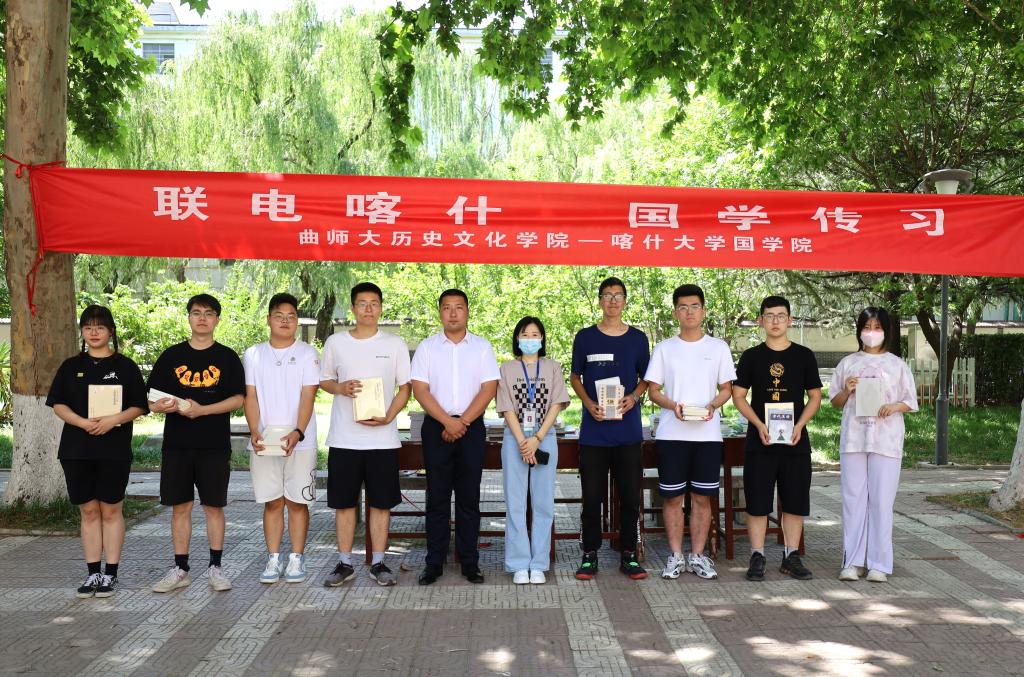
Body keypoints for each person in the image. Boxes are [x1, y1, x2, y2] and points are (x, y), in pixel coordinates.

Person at [46, 305, 148, 598]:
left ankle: (110, 574)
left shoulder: (125, 367)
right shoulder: (70, 366)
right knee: (89, 511)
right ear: (82, 332)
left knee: (111, 509)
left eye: (100, 327)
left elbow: (139, 405)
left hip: (113, 450)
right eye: (88, 327)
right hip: (76, 449)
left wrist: (113, 420)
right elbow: (58, 403)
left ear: (110, 331)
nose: (93, 332)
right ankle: (93, 573)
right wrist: (81, 422)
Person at [148, 293, 245, 593]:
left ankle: (216, 568)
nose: (202, 318)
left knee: (213, 507)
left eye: (209, 313)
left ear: (217, 319)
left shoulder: (227, 357)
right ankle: (181, 569)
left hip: (214, 445)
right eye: (196, 312)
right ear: (188, 317)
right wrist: (159, 407)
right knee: (181, 507)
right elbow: (150, 400)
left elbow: (238, 399)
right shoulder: (171, 356)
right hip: (177, 445)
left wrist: (202, 410)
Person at [320, 282, 411, 587]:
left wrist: (389, 416)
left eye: (374, 303)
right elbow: (324, 381)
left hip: (382, 439)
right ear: (353, 308)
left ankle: (379, 562)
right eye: (362, 303)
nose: (368, 309)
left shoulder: (395, 344)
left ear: (381, 308)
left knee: (381, 504)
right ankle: (344, 563)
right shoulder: (336, 342)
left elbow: (405, 388)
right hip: (344, 438)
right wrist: (340, 387)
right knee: (344, 504)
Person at [645, 284, 735, 581]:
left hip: (707, 435)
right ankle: (675, 555)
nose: (689, 312)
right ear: (675, 313)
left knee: (702, 498)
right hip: (672, 434)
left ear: (703, 311)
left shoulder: (718, 348)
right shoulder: (664, 348)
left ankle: (698, 555)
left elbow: (727, 389)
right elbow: (653, 391)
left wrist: (712, 405)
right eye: (683, 307)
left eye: (695, 306)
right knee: (672, 498)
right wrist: (674, 406)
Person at [411, 289, 499, 585]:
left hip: (471, 428)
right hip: (437, 427)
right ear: (440, 312)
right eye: (446, 307)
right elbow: (420, 390)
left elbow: (488, 389)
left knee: (468, 498)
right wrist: (448, 422)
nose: (452, 313)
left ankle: (469, 562)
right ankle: (433, 562)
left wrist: (462, 422)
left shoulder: (482, 347)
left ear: (467, 312)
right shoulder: (427, 348)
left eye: (458, 307)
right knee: (437, 498)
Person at [732, 295, 822, 582]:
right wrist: (758, 423)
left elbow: (815, 396)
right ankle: (757, 555)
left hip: (795, 441)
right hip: (761, 440)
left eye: (781, 316)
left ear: (790, 320)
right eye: (769, 316)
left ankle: (791, 555)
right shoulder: (751, 357)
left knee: (795, 499)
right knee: (757, 500)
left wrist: (800, 424)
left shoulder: (804, 355)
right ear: (760, 320)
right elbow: (738, 396)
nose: (775, 321)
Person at [830, 307, 918, 583]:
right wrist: (847, 390)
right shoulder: (848, 363)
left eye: (877, 327)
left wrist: (894, 406)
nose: (871, 332)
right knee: (853, 500)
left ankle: (879, 563)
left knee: (881, 501)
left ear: (886, 331)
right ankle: (852, 562)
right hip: (854, 440)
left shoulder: (897, 365)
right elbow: (835, 402)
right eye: (867, 327)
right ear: (859, 331)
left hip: (886, 440)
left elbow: (910, 401)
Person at [571, 276, 650, 580]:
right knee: (591, 498)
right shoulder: (585, 337)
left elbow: (647, 378)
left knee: (629, 498)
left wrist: (634, 396)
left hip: (628, 432)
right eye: (607, 295)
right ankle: (589, 555)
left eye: (618, 295)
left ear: (625, 301)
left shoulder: (638, 339)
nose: (613, 300)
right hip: (595, 433)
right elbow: (575, 376)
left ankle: (629, 554)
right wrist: (588, 403)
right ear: (600, 301)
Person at [243, 293, 320, 585]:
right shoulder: (253, 354)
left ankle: (297, 557)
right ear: (269, 320)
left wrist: (298, 431)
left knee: (297, 502)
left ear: (297, 321)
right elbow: (250, 396)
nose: (285, 321)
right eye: (279, 316)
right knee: (273, 502)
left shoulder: (308, 353)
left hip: (300, 441)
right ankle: (273, 558)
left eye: (291, 316)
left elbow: (308, 395)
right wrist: (254, 429)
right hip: (265, 441)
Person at [496, 316, 570, 585]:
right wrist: (522, 442)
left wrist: (537, 438)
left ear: (542, 338)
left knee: (543, 503)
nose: (530, 339)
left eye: (535, 334)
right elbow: (506, 407)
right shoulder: (506, 368)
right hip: (514, 437)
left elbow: (557, 404)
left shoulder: (553, 367)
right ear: (517, 338)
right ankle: (518, 564)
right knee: (515, 503)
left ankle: (538, 563)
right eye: (525, 334)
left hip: (544, 436)